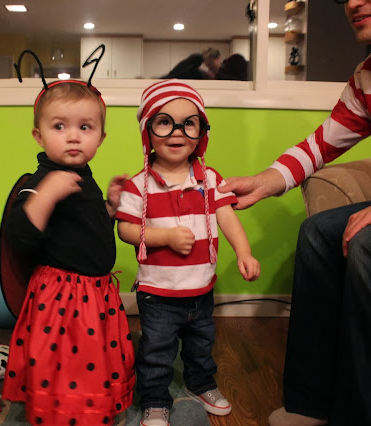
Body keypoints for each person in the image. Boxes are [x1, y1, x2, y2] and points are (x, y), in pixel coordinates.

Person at [217, 1, 371, 425]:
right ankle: (312, 404)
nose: (353, 3)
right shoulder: (370, 77)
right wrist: (265, 181)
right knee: (320, 233)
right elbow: (321, 143)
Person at [116, 79, 260, 426]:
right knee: (157, 350)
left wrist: (244, 251)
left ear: (201, 132)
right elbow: (125, 229)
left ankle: (200, 383)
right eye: (165, 122)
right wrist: (164, 237)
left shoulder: (209, 179)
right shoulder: (139, 185)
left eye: (189, 123)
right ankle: (154, 399)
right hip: (158, 293)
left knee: (201, 345)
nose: (177, 132)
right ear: (148, 131)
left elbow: (226, 216)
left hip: (201, 289)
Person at [1, 78, 135, 425]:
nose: (73, 136)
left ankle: (92, 404)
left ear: (100, 137)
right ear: (39, 136)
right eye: (59, 126)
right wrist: (46, 195)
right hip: (63, 295)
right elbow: (19, 236)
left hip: (94, 291)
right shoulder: (41, 181)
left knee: (92, 355)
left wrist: (109, 207)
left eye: (85, 127)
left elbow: (85, 230)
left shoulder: (82, 176)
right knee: (66, 358)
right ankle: (64, 411)